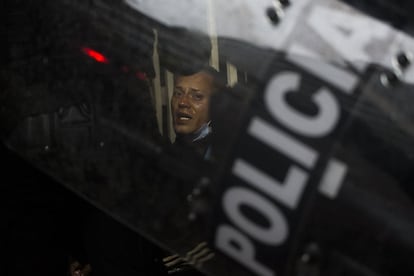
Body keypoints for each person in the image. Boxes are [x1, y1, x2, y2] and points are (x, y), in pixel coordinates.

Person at [171, 66, 224, 160]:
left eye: (197, 96)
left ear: (213, 104)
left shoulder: (220, 151)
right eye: (178, 93)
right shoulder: (164, 137)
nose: (182, 102)